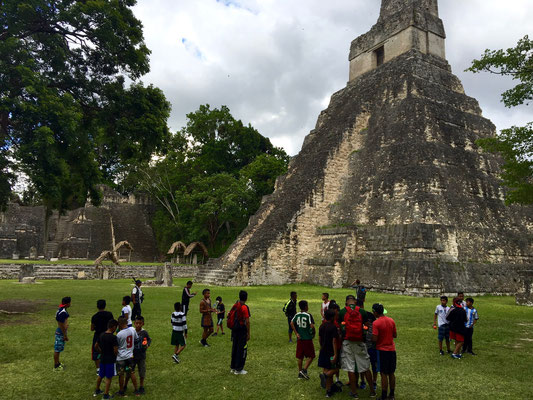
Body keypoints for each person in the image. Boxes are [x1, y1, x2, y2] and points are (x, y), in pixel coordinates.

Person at [339, 295, 376, 398]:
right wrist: (362, 333)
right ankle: (372, 391)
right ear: (355, 302)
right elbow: (366, 325)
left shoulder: (343, 311)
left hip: (348, 341)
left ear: (346, 302)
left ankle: (354, 392)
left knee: (350, 367)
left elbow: (341, 325)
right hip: (360, 341)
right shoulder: (362, 311)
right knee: (365, 367)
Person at [372, 303, 397, 400]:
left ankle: (383, 395)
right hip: (392, 349)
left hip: (382, 350)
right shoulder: (391, 320)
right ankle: (392, 395)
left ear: (375, 312)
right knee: (391, 373)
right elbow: (395, 335)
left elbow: (374, 339)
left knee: (383, 373)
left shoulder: (376, 323)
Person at [93, 319, 119, 400]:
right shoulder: (113, 337)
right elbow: (115, 350)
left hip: (102, 358)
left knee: (100, 375)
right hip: (110, 360)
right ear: (114, 327)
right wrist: (116, 355)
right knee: (108, 377)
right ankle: (106, 395)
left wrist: (101, 352)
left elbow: (96, 346)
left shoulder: (101, 335)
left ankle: (97, 390)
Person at [290, 300, 316, 380]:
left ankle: (300, 372)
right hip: (307, 338)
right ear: (305, 307)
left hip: (300, 338)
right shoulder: (308, 315)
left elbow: (291, 323)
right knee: (311, 356)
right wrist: (313, 333)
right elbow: (312, 326)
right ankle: (304, 370)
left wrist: (296, 333)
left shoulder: (297, 314)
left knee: (300, 356)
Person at [318, 309, 340, 398]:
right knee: (336, 369)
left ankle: (328, 391)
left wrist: (321, 346)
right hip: (331, 351)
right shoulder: (333, 327)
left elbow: (319, 338)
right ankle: (325, 376)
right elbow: (334, 341)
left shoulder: (321, 326)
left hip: (323, 350)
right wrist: (335, 354)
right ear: (332, 317)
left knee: (326, 369)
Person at [116, 316, 140, 397]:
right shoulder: (133, 329)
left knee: (121, 374)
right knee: (132, 372)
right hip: (130, 355)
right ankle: (136, 390)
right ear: (126, 322)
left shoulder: (119, 334)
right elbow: (137, 340)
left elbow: (117, 346)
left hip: (121, 357)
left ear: (119, 324)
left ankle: (121, 391)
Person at [128, 316, 151, 395]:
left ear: (143, 324)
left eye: (140, 323)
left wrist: (147, 344)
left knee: (142, 371)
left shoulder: (144, 332)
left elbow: (148, 339)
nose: (138, 325)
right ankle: (125, 385)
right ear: (134, 323)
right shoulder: (132, 332)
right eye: (136, 323)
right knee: (130, 371)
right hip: (133, 356)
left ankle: (141, 386)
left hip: (141, 356)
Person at [230, 290, 251, 375]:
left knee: (234, 348)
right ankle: (239, 369)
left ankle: (233, 367)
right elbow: (247, 321)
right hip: (242, 330)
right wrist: (248, 333)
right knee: (241, 349)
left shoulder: (236, 305)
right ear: (246, 298)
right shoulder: (244, 307)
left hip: (234, 329)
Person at [91, 299, 114, 374]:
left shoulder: (94, 316)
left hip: (98, 335)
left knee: (96, 350)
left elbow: (92, 328)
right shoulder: (109, 314)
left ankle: (98, 368)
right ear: (105, 306)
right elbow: (112, 324)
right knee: (109, 349)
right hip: (108, 334)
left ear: (97, 306)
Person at [360, 311, 378, 392]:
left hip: (372, 348)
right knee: (364, 366)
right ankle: (363, 381)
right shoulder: (362, 327)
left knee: (373, 366)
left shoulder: (375, 327)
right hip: (366, 348)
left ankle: (373, 382)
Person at [53, 296, 71, 371]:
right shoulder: (62, 312)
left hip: (61, 332)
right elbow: (60, 324)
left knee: (59, 349)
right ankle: (56, 365)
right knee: (57, 349)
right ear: (67, 303)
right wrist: (64, 335)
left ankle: (58, 363)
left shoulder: (61, 310)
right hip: (60, 333)